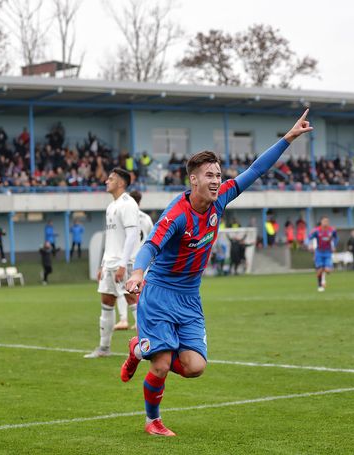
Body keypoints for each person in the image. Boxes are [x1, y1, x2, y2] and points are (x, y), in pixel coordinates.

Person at [120, 111, 312, 436]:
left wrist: (289, 138)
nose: (215, 180)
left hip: (190, 297)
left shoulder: (220, 200)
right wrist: (137, 273)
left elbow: (256, 170)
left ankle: (139, 347)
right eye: (209, 175)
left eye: (218, 175)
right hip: (159, 294)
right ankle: (153, 419)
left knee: (195, 368)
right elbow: (151, 245)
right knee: (163, 364)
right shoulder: (176, 215)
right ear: (193, 179)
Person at [84, 168, 141, 358]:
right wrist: (103, 264)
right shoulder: (111, 206)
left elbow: (132, 235)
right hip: (110, 263)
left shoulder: (128, 204)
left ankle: (149, 346)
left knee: (133, 300)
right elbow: (111, 238)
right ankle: (104, 348)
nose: (106, 181)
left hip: (124, 263)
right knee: (106, 302)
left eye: (111, 179)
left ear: (121, 183)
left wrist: (123, 264)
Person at [115, 190, 154, 331]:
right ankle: (143, 322)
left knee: (122, 290)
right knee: (142, 294)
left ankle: (124, 319)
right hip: (144, 261)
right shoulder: (146, 218)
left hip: (127, 259)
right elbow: (152, 240)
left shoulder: (124, 218)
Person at [308, 216, 338, 292]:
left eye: (327, 221)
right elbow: (308, 237)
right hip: (319, 252)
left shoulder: (332, 230)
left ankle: (323, 279)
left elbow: (336, 238)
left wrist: (334, 245)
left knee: (328, 270)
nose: (326, 223)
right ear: (321, 222)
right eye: (324, 221)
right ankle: (320, 285)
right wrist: (310, 244)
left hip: (328, 252)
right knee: (320, 270)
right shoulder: (316, 230)